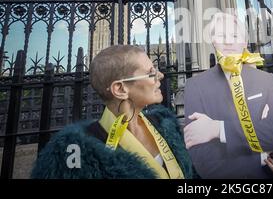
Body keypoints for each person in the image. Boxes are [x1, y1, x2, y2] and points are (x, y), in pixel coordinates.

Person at [32, 45, 193, 179]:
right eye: (151, 73)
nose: (161, 75)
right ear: (120, 89)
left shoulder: (166, 125)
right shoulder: (74, 152)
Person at [183, 12, 273, 178]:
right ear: (213, 41)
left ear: (244, 42)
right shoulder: (195, 86)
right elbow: (202, 159)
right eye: (222, 35)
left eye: (235, 35)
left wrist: (217, 129)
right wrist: (261, 157)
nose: (229, 41)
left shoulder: (266, 80)